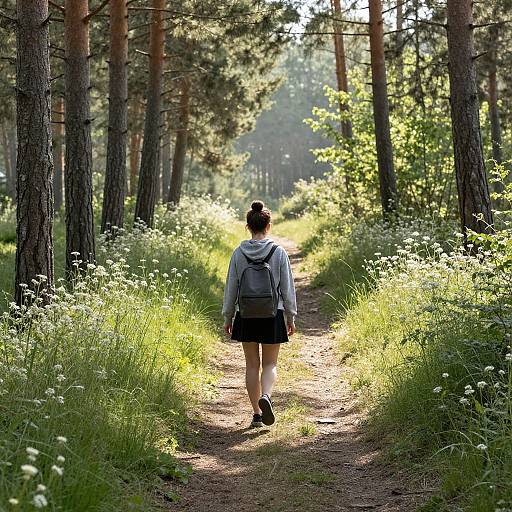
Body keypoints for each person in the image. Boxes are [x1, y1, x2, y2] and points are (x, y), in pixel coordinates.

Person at [222, 200, 297, 428]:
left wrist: (228, 316)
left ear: (248, 226)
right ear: (268, 226)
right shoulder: (278, 252)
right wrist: (290, 315)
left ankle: (256, 414)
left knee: (251, 365)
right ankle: (266, 396)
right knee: (271, 364)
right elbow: (287, 287)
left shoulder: (238, 253)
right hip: (273, 313)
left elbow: (231, 287)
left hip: (245, 314)